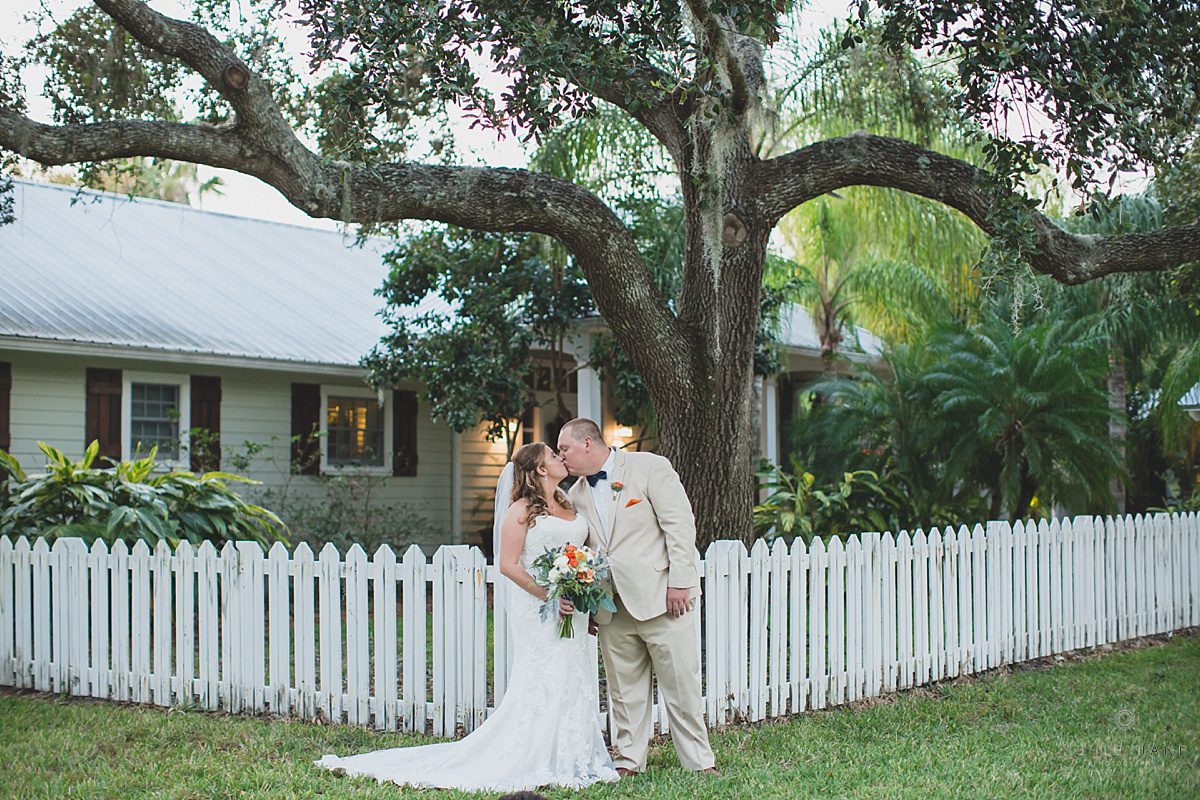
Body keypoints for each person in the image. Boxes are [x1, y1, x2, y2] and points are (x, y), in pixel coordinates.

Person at [314, 442, 619, 792]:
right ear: (539, 469)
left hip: (572, 606)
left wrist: (579, 587)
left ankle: (572, 753)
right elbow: (506, 564)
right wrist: (549, 593)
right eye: (552, 455)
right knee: (543, 676)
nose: (559, 458)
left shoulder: (568, 502)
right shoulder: (520, 510)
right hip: (540, 608)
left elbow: (580, 551)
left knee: (574, 673)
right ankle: (535, 754)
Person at [556, 418, 718, 777]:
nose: (560, 455)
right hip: (611, 607)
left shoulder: (649, 467)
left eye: (564, 448)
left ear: (587, 443)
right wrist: (588, 603)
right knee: (623, 689)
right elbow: (580, 551)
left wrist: (681, 582)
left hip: (663, 597)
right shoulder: (575, 495)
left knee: (681, 683)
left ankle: (699, 761)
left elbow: (679, 525)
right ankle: (629, 760)